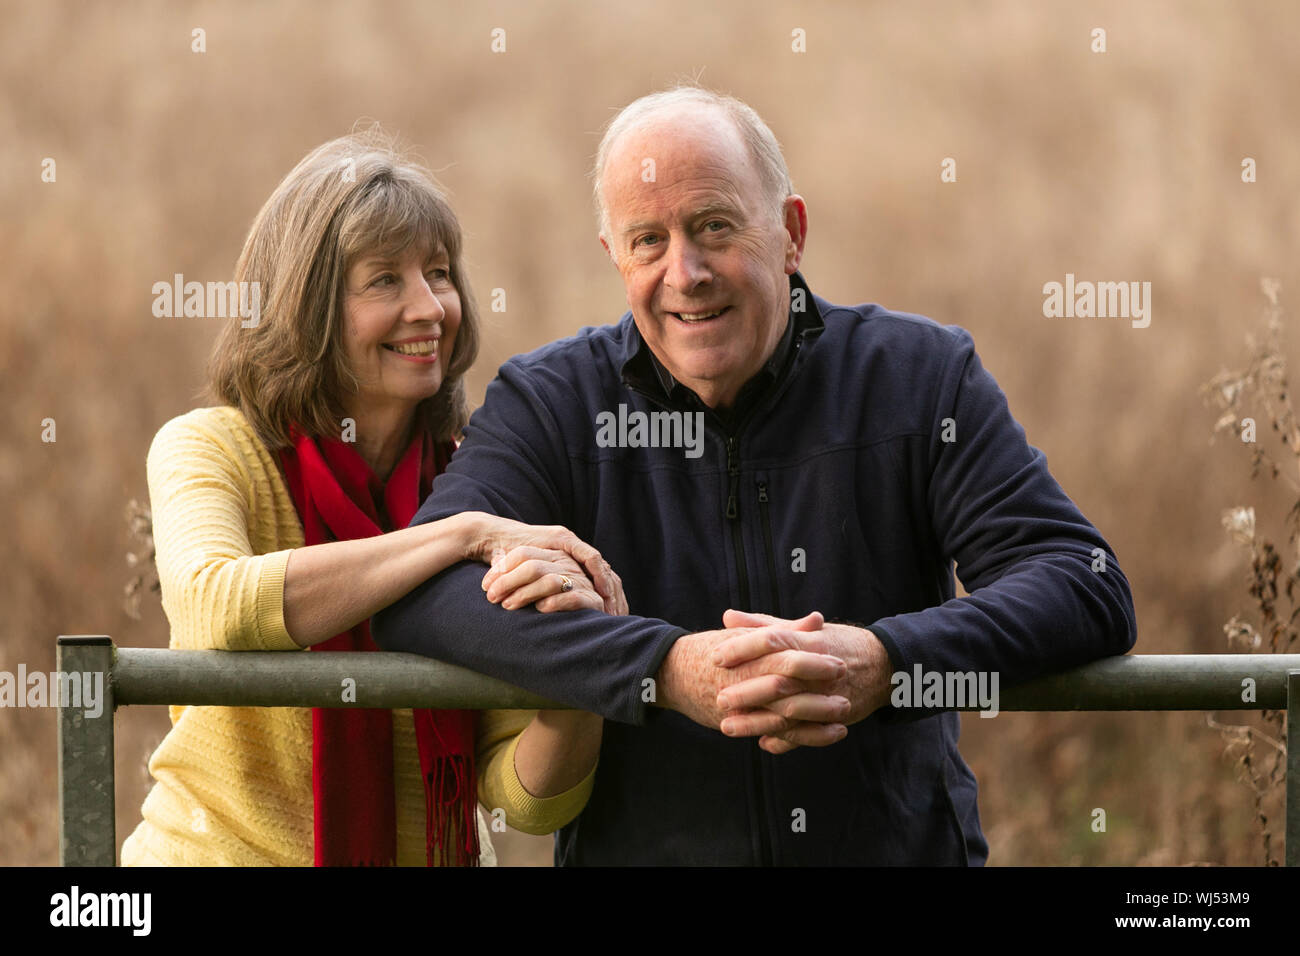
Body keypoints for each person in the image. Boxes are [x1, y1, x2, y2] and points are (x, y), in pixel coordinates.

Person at [372, 87, 1138, 865]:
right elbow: (421, 594)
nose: (687, 272)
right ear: (615, 258)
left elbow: (1084, 580)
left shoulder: (919, 377)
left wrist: (886, 663)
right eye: (648, 241)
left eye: (714, 226)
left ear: (791, 234)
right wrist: (660, 669)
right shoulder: (552, 402)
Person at [121, 127, 622, 867]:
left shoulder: (476, 481)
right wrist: (454, 538)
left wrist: (584, 671)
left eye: (440, 273)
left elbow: (527, 800)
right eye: (384, 280)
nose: (429, 308)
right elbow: (214, 606)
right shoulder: (211, 446)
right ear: (308, 305)